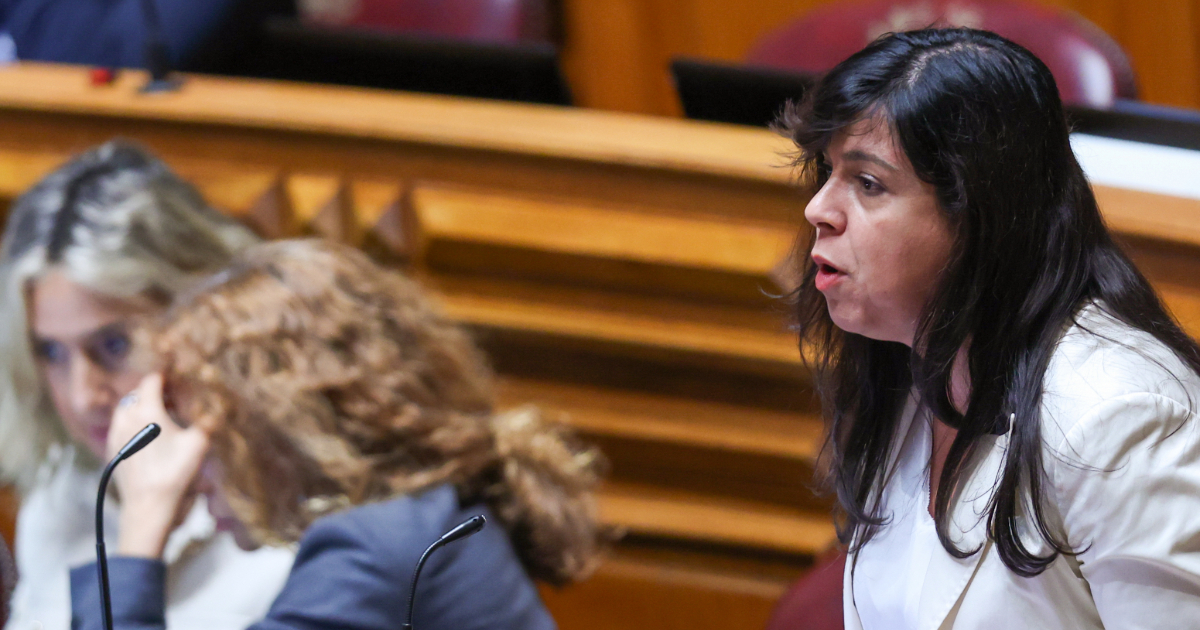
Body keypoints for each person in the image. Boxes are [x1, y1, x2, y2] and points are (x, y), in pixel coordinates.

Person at [781, 28, 1200, 629]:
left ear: (981, 212)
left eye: (868, 183)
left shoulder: (1118, 416)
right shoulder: (906, 366)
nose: (818, 208)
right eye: (827, 170)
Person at [69, 239, 606, 630]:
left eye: (199, 427)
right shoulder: (424, 511)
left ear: (270, 424)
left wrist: (142, 523)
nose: (188, 469)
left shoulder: (376, 550)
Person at [0, 141, 295, 630]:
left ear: (205, 316)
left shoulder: (284, 520)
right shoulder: (60, 499)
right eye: (51, 353)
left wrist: (141, 533)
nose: (82, 396)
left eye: (113, 346)